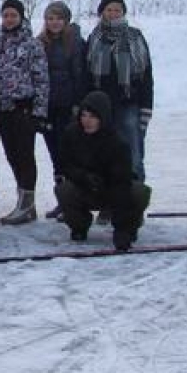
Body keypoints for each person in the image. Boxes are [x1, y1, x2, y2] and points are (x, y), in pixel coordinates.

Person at [55, 91, 149, 252]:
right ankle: (79, 226)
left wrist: (122, 230)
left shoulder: (118, 143)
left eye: (92, 117)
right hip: (84, 187)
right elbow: (65, 165)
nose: (87, 121)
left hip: (112, 190)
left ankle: (131, 227)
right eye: (84, 115)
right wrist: (83, 177)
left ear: (103, 118)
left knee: (139, 192)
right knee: (64, 190)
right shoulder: (71, 134)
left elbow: (122, 183)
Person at [0, 0, 49, 225]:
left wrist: (39, 112)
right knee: (11, 155)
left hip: (25, 108)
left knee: (25, 155)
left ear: (21, 17)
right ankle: (21, 199)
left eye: (13, 15)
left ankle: (27, 202)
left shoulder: (32, 45)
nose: (9, 19)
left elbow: (41, 79)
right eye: (6, 15)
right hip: (4, 109)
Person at [86, 0, 153, 183]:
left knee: (133, 154)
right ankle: (109, 201)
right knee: (104, 155)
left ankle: (135, 200)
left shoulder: (135, 37)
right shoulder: (95, 38)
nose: (114, 13)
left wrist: (146, 106)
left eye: (118, 10)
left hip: (128, 103)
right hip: (101, 107)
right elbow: (88, 75)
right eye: (109, 9)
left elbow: (147, 75)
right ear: (102, 12)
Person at [37, 1, 87, 219]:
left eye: (58, 18)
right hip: (49, 106)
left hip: (69, 106)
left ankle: (75, 201)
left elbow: (80, 75)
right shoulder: (40, 43)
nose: (54, 22)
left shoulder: (75, 43)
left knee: (71, 155)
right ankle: (62, 199)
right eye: (50, 18)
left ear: (66, 21)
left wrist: (78, 104)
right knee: (55, 154)